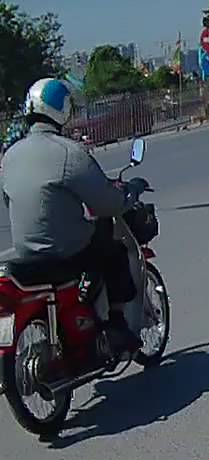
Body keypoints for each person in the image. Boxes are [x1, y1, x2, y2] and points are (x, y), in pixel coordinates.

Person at [0, 78, 141, 353]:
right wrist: (131, 193)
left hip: (25, 250)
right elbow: (107, 204)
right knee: (113, 249)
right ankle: (116, 323)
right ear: (62, 109)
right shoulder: (69, 152)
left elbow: (11, 200)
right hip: (65, 251)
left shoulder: (10, 156)